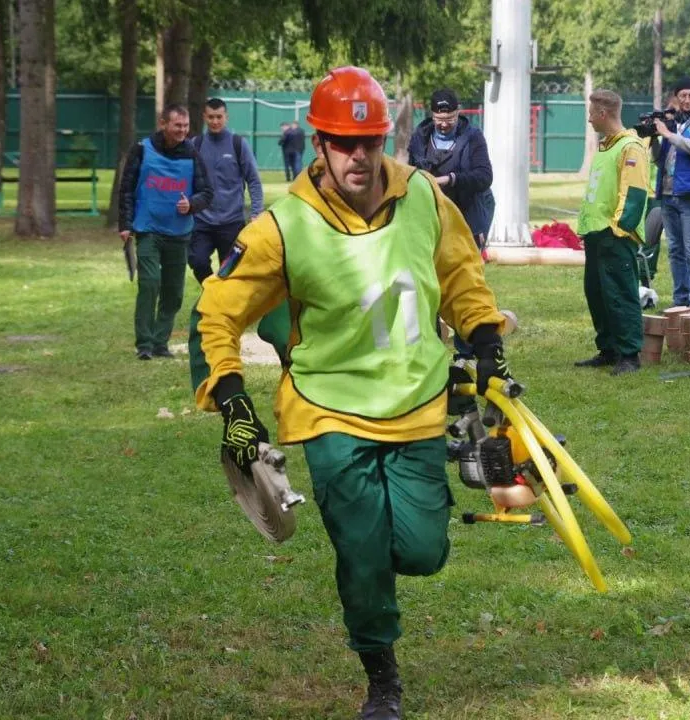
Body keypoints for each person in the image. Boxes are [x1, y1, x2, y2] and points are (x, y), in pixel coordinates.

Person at [193, 66, 512, 720]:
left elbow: (459, 272)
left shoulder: (424, 194)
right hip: (328, 411)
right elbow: (219, 311)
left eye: (369, 141)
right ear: (320, 144)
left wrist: (484, 337)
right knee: (363, 555)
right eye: (344, 143)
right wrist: (233, 404)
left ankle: (388, 554)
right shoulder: (283, 226)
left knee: (422, 552)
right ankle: (382, 677)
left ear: (385, 138)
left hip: (421, 402)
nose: (359, 156)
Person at [118, 104, 213, 360]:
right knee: (149, 283)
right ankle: (145, 345)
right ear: (163, 124)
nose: (182, 130)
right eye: (177, 125)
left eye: (185, 125)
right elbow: (126, 188)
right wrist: (125, 225)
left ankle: (161, 342)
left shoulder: (193, 154)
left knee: (173, 291)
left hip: (179, 234)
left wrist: (191, 204)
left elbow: (207, 193)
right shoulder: (141, 149)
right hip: (148, 229)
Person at [574, 89, 650, 375]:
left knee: (620, 294)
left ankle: (630, 355)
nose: (589, 119)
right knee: (597, 293)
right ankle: (608, 349)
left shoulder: (630, 147)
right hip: (596, 234)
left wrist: (619, 229)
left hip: (614, 235)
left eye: (591, 114)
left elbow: (634, 192)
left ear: (603, 114)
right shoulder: (607, 146)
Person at [188, 98, 263, 284]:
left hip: (232, 222)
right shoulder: (194, 145)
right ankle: (211, 293)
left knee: (230, 272)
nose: (215, 121)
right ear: (204, 117)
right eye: (211, 117)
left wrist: (256, 213)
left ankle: (223, 302)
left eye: (219, 117)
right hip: (201, 222)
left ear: (226, 117)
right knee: (197, 262)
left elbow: (253, 180)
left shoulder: (238, 144)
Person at [407, 88, 495, 247]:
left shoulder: (473, 137)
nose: (444, 124)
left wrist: (450, 179)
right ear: (432, 115)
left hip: (470, 209)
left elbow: (485, 176)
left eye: (450, 119)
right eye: (439, 119)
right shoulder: (420, 138)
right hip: (433, 210)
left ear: (458, 112)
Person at [653, 78, 690, 311]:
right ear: (675, 98)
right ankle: (680, 297)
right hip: (667, 193)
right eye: (682, 96)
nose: (686, 100)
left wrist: (667, 133)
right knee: (675, 249)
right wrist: (653, 138)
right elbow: (660, 160)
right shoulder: (672, 124)